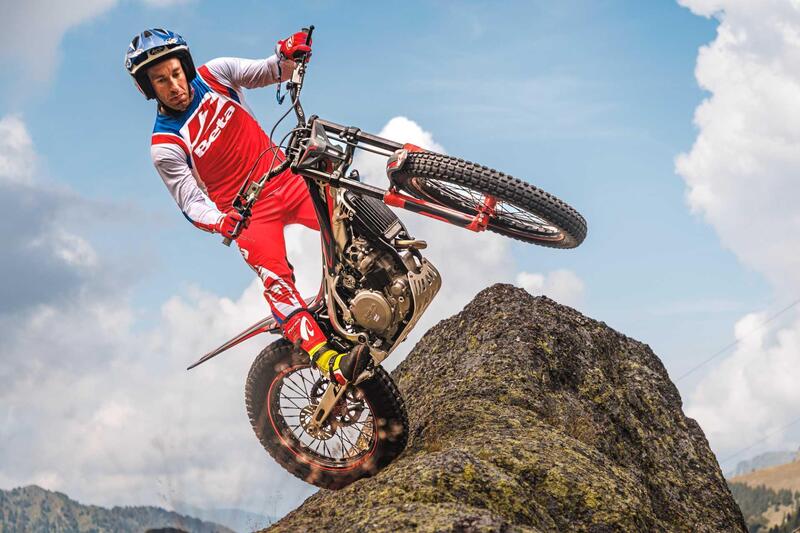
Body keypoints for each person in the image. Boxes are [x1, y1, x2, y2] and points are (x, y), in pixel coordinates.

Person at [125, 28, 368, 384]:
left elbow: (272, 71)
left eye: (176, 73)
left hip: (286, 178)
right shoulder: (165, 145)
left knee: (350, 211)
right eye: (161, 81)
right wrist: (221, 221)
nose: (174, 86)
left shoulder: (216, 74)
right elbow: (191, 202)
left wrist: (289, 53)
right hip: (248, 214)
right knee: (277, 283)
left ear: (186, 66)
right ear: (148, 88)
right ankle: (330, 362)